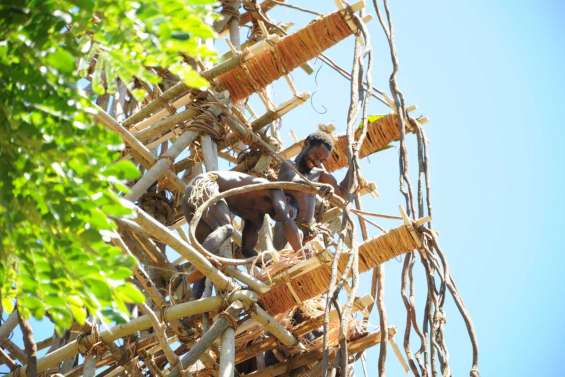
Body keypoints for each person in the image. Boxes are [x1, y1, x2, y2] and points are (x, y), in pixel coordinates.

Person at [182, 170, 302, 298]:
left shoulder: (257, 218)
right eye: (290, 213)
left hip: (192, 202)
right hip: (205, 185)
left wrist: (271, 267)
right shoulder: (274, 189)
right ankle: (199, 265)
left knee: (210, 252)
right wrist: (301, 254)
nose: (284, 218)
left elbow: (248, 251)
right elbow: (284, 216)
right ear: (286, 199)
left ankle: (191, 293)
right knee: (226, 227)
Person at [274, 131, 354, 248]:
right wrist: (317, 188)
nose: (317, 162)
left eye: (321, 161)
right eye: (316, 156)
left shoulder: (318, 173)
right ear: (307, 144)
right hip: (286, 236)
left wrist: (353, 164)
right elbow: (293, 184)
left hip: (308, 236)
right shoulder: (289, 166)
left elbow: (341, 195)